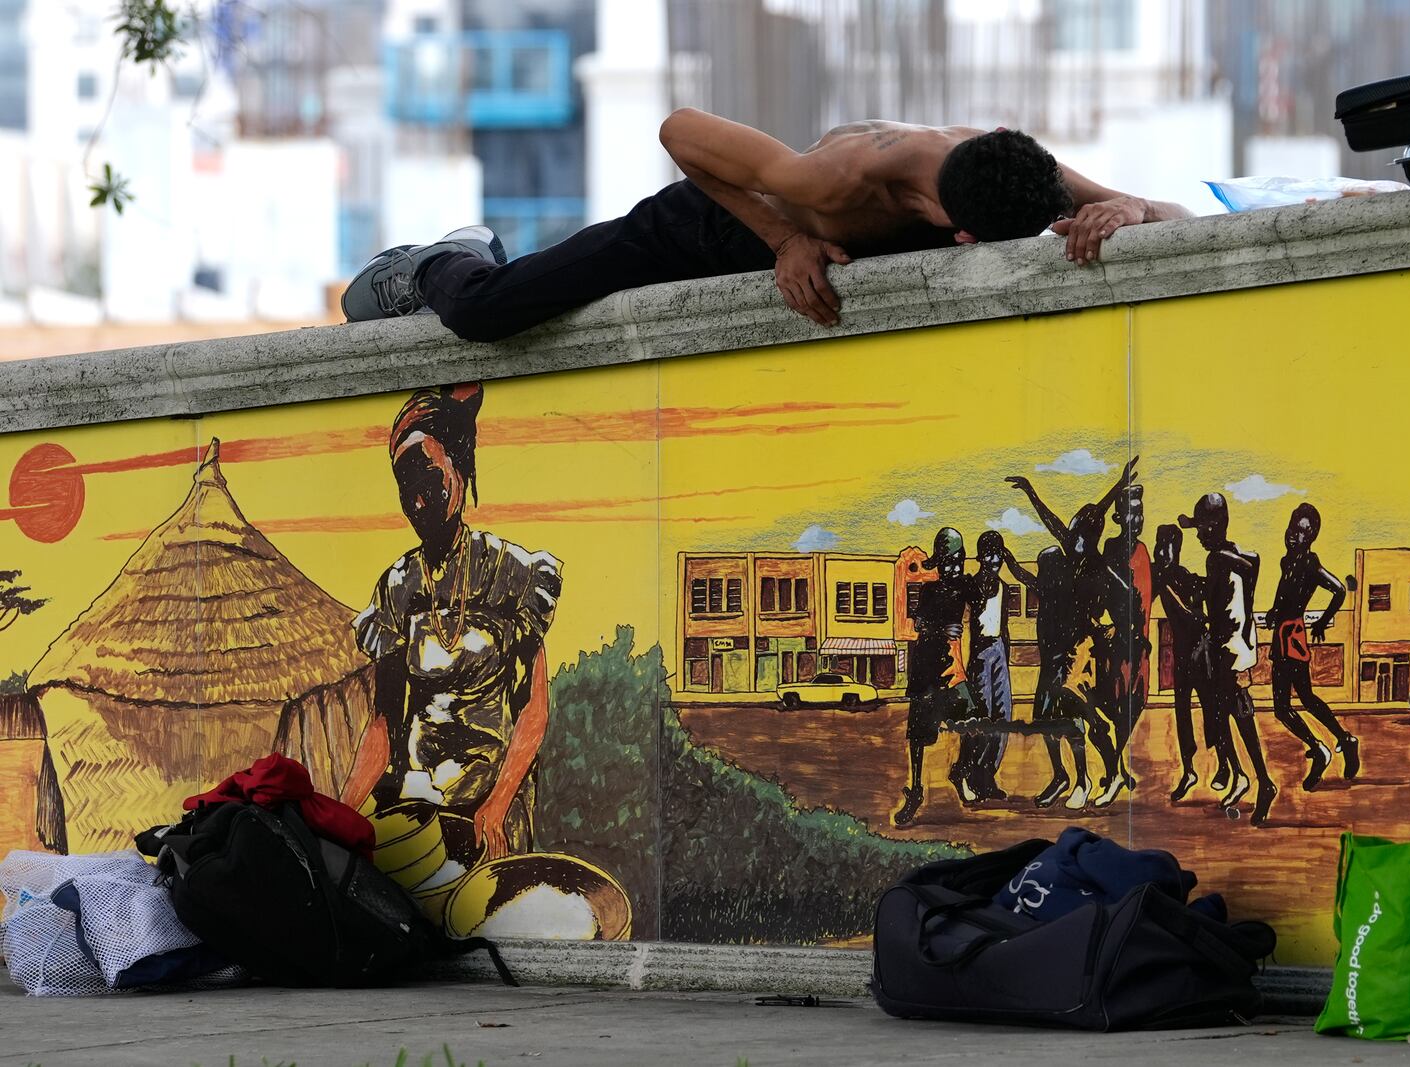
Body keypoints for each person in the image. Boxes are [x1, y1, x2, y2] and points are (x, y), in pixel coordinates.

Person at [340, 111, 1192, 340]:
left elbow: (1175, 213)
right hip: (701, 227)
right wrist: (785, 238)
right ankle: (439, 261)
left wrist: (1126, 209)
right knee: (487, 315)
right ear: (940, 214)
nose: (964, 250)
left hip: (788, 252)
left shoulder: (1009, 166)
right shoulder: (840, 172)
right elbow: (679, 131)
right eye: (962, 239)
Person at [340, 384, 562, 863]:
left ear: (459, 467)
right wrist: (339, 814)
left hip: (493, 812)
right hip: (417, 808)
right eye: (406, 485)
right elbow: (384, 723)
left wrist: (498, 804)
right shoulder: (398, 588)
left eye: (429, 477)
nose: (418, 501)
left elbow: (534, 708)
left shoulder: (513, 573)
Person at [1005, 462, 1135, 806]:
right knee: (1047, 718)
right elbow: (1054, 520)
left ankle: (1099, 775)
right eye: (1072, 530)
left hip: (1078, 656)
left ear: (1087, 538)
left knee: (1084, 719)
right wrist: (1031, 490)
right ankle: (1064, 777)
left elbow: (1127, 597)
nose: (1068, 535)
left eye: (1076, 532)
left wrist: (1110, 628)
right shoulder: (1066, 556)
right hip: (1054, 656)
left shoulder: (1095, 566)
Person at [1180, 492, 1278, 827]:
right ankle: (1241, 776)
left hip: (1228, 648)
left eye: (1201, 528)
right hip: (1235, 646)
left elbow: (1216, 598)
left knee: (1232, 715)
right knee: (1224, 714)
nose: (1197, 535)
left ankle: (1261, 781)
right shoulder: (1235, 555)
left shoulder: (1220, 559)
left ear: (1216, 525)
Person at [1264, 502, 1360, 790]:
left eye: (1302, 532)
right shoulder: (1287, 561)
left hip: (1292, 637)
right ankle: (1342, 740)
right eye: (1293, 528)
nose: (1294, 535)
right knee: (1301, 700)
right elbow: (1284, 597)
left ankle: (1322, 748)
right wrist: (1272, 611)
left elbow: (1340, 590)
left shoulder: (1309, 563)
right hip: (1282, 634)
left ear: (1312, 537)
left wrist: (1321, 622)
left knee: (1287, 706)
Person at [893, 527, 980, 827]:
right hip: (927, 674)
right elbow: (918, 625)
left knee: (974, 720)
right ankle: (915, 791)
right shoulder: (930, 590)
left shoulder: (964, 586)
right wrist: (941, 630)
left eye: (958, 561)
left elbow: (982, 592)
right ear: (939, 563)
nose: (954, 567)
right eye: (948, 562)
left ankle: (960, 771)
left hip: (951, 672)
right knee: (918, 738)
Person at [1151, 523, 1225, 803]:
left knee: (1211, 710)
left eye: (1165, 546)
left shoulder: (1189, 578)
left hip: (1201, 654)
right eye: (1158, 546)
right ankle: (1189, 771)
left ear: (1177, 549)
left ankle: (1224, 767)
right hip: (1182, 657)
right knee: (1181, 713)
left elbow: (1208, 604)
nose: (1160, 551)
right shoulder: (1159, 577)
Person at [1093, 482, 1153, 807]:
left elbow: (1143, 599)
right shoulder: (1111, 549)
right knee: (1117, 709)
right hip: (1117, 645)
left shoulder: (1142, 551)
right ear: (1118, 516)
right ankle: (1115, 771)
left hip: (1139, 644)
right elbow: (1107, 594)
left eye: (1140, 513)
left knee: (1134, 707)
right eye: (1131, 513)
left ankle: (1115, 767)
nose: (1137, 519)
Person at [962, 530, 1015, 801]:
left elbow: (1003, 624)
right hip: (981, 653)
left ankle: (988, 777)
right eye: (989, 554)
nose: (995, 559)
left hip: (999, 651)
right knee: (983, 715)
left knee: (1003, 716)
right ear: (980, 556)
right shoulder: (972, 585)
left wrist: (1006, 652)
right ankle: (973, 776)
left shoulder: (1004, 586)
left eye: (998, 553)